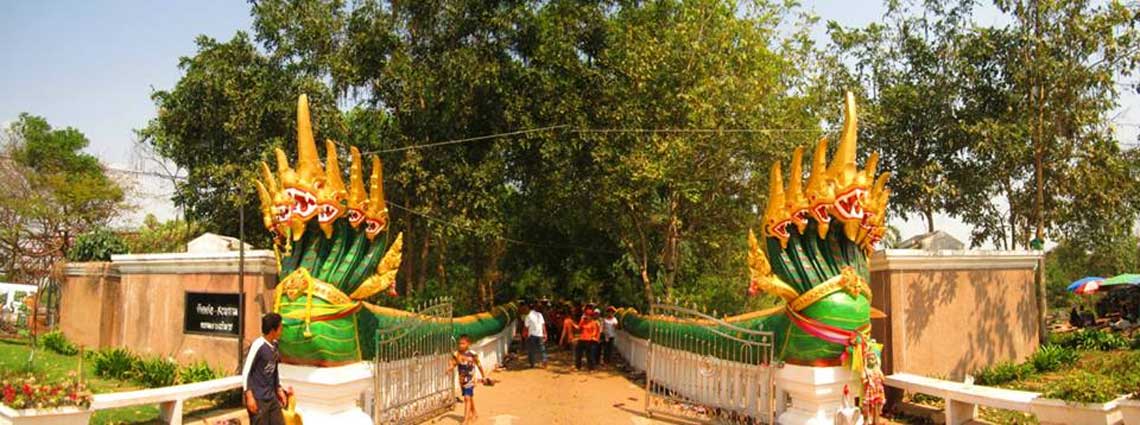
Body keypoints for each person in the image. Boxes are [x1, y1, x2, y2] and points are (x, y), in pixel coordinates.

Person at [241, 313, 293, 425]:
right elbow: (246, 372)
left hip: (271, 397)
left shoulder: (275, 345)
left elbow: (274, 370)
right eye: (280, 328)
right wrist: (249, 397)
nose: (281, 331)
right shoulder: (258, 345)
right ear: (272, 330)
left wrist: (279, 389)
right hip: (258, 398)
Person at [448, 334, 490, 425]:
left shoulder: (473, 354)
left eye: (463, 343)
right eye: (459, 344)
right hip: (462, 380)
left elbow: (479, 365)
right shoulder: (457, 354)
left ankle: (465, 420)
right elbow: (453, 363)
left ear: (468, 343)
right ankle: (474, 413)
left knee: (467, 398)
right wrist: (450, 368)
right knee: (469, 397)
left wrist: (483, 376)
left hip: (470, 380)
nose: (460, 345)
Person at [524, 302, 547, 368]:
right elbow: (543, 325)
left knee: (531, 350)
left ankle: (532, 363)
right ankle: (544, 359)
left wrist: (525, 335)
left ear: (528, 308)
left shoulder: (528, 316)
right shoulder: (540, 315)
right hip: (540, 334)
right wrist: (545, 333)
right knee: (542, 349)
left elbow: (526, 327)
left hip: (532, 335)